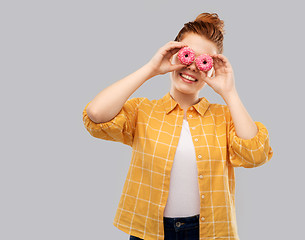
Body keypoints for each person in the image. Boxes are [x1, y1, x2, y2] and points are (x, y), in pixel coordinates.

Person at [82, 12, 273, 240]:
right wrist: (151, 68)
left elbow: (256, 154)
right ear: (174, 53)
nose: (192, 67)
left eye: (203, 61)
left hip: (207, 233)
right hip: (150, 231)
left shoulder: (224, 118)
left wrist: (229, 92)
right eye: (187, 55)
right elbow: (95, 115)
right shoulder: (143, 111)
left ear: (211, 67)